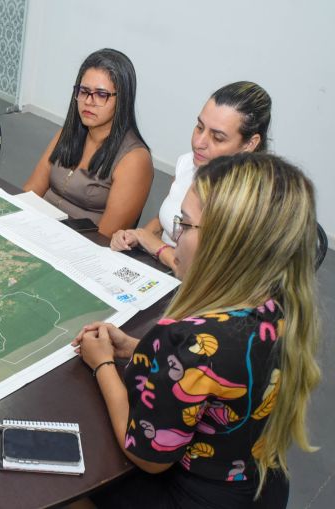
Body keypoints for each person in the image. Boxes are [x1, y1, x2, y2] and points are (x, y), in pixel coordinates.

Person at [73, 153, 320, 508]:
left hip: (187, 495)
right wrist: (135, 347)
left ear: (226, 244)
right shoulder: (281, 306)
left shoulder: (185, 339)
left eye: (186, 226)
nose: (175, 237)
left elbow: (148, 455)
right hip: (257, 486)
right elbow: (220, 372)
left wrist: (103, 365)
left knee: (68, 489)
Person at [110, 81, 271, 271]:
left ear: (250, 144)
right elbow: (164, 220)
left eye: (217, 137)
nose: (199, 142)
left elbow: (203, 275)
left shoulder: (250, 200)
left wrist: (157, 247)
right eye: (199, 127)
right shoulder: (188, 162)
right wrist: (134, 236)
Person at [22, 48, 153, 237]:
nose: (89, 101)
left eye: (101, 94)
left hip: (79, 248)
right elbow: (30, 193)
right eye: (84, 91)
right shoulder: (68, 133)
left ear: (122, 100)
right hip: (36, 230)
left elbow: (104, 237)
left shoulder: (135, 159)